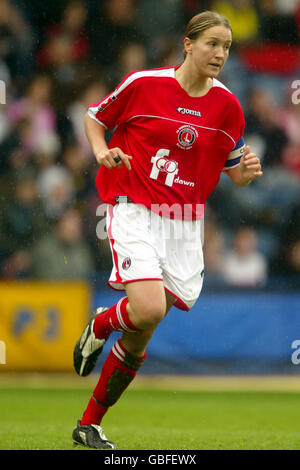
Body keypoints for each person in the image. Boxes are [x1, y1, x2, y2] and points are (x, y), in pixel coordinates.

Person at [72, 10, 263, 449]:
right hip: (135, 209)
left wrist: (247, 172)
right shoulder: (144, 83)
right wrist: (102, 151)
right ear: (188, 44)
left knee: (139, 340)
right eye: (212, 43)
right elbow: (94, 117)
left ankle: (89, 425)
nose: (220, 53)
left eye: (227, 47)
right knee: (148, 309)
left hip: (183, 225)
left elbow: (233, 169)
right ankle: (101, 325)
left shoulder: (228, 106)